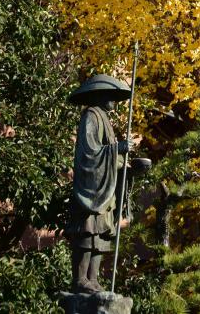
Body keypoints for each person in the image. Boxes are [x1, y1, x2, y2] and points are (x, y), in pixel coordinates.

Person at [66, 74, 134, 294]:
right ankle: (80, 279)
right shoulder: (91, 116)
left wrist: (126, 164)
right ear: (101, 95)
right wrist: (118, 148)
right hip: (92, 189)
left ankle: (93, 279)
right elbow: (90, 152)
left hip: (106, 189)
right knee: (88, 232)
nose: (114, 101)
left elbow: (111, 156)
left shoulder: (105, 118)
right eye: (111, 96)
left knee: (102, 235)